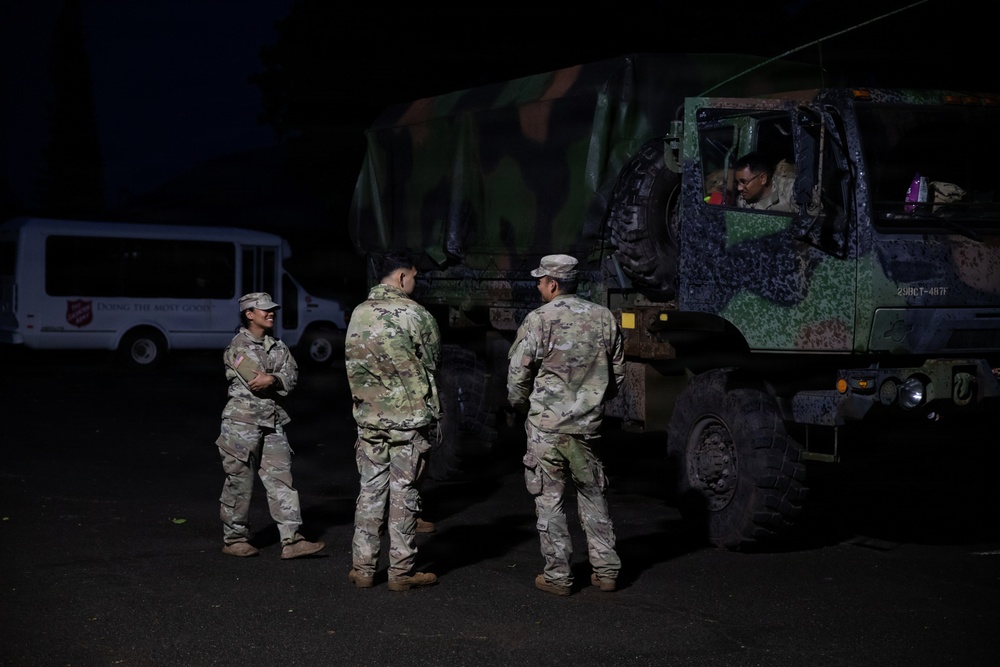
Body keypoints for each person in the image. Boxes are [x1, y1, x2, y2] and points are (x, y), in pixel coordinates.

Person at [507, 254, 626, 596]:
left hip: (547, 428)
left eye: (541, 280)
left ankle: (558, 576)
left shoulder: (539, 320)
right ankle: (606, 571)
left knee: (550, 500)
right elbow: (616, 373)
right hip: (586, 429)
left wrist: (521, 405)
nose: (538, 285)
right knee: (593, 495)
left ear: (553, 284)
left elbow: (517, 376)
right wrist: (593, 402)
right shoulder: (603, 317)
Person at [344, 250, 441, 591]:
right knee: (404, 494)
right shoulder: (416, 315)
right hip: (408, 421)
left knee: (369, 492)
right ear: (402, 277)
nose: (415, 283)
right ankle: (401, 572)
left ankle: (363, 569)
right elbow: (431, 362)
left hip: (369, 420)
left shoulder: (358, 314)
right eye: (414, 277)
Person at [216, 292, 325, 560]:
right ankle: (235, 538)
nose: (271, 313)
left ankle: (292, 540)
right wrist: (277, 378)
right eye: (264, 309)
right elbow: (256, 380)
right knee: (240, 482)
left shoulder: (277, 345)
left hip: (272, 421)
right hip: (242, 424)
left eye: (272, 308)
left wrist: (274, 379)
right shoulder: (237, 347)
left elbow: (292, 376)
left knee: (282, 479)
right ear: (249, 314)